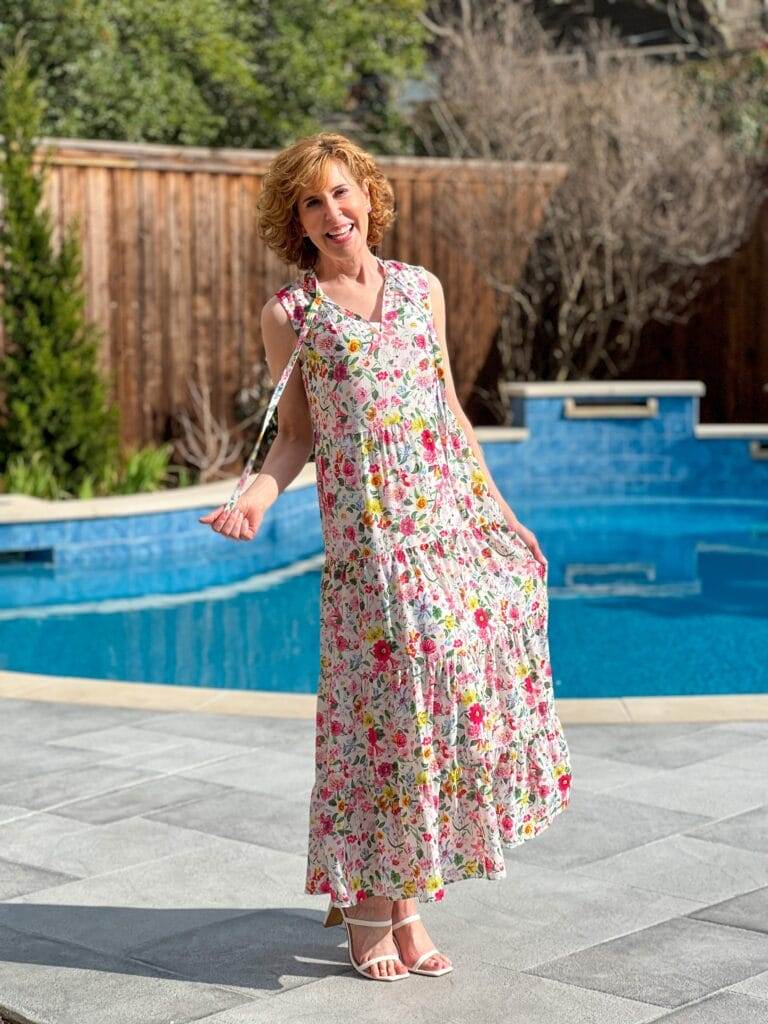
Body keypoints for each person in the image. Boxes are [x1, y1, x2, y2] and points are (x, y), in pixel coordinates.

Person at [200, 132, 573, 982]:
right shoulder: (291, 316)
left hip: (443, 527)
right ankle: (373, 907)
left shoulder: (420, 290)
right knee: (381, 722)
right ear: (292, 219)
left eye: (342, 194)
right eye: (311, 202)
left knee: (446, 700)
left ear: (368, 194)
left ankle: (407, 894)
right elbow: (294, 438)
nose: (332, 214)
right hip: (370, 548)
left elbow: (446, 408)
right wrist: (254, 499)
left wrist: (502, 515)